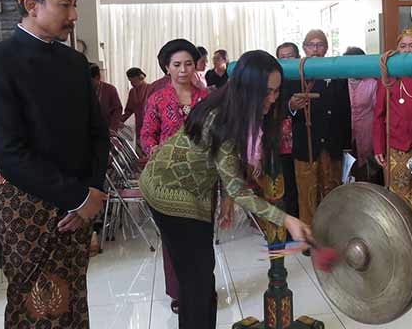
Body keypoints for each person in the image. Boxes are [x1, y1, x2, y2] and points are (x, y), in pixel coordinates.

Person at [0, 0, 109, 329]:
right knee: (34, 301)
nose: (74, 15)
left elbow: (97, 133)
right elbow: (6, 148)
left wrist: (92, 193)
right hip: (26, 204)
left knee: (73, 296)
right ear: (33, 5)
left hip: (80, 200)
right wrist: (78, 196)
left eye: (75, 5)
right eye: (65, 5)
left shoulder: (75, 63)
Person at [139, 50, 312, 329]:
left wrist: (227, 201)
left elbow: (221, 166)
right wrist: (287, 218)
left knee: (202, 278)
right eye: (267, 92)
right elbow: (238, 187)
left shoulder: (231, 107)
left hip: (192, 189)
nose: (273, 98)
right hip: (167, 192)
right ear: (247, 90)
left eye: (277, 91)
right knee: (197, 282)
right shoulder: (222, 118)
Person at [140, 39, 209, 313]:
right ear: (166, 67)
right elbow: (146, 135)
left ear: (196, 66)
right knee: (174, 241)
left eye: (188, 64)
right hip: (168, 181)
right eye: (177, 64)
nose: (183, 70)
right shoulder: (157, 98)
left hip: (201, 179)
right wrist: (154, 148)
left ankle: (203, 287)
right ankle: (180, 292)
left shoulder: (207, 98)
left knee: (201, 238)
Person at [287, 29, 351, 256]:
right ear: (304, 47)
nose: (316, 49)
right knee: (307, 193)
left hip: (331, 145)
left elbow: (345, 111)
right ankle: (309, 240)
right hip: (306, 145)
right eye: (311, 45)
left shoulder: (336, 73)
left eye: (320, 44)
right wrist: (293, 107)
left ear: (326, 48)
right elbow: (283, 111)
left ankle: (331, 235)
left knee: (331, 190)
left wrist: (346, 145)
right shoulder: (293, 74)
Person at [372, 28, 412, 220]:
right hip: (397, 147)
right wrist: (378, 146)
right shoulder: (389, 76)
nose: (407, 50)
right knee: (398, 199)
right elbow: (379, 115)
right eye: (403, 46)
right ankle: (402, 240)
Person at [344, 46, 382, 184]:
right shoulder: (341, 83)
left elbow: (377, 111)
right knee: (347, 171)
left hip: (368, 134)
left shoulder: (371, 83)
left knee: (368, 173)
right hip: (346, 132)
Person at [275, 41, 301, 218]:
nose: (286, 61)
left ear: (298, 57)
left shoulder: (305, 77)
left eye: (290, 56)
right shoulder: (276, 81)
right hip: (282, 144)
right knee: (288, 185)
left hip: (304, 141)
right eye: (282, 58)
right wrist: (290, 106)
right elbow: (271, 108)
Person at [121, 67, 150, 147]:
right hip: (139, 126)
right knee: (139, 151)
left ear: (140, 77)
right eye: (130, 81)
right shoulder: (132, 91)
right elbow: (129, 110)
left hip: (150, 126)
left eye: (133, 81)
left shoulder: (150, 88)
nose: (131, 83)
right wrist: (119, 120)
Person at [90, 63, 123, 132]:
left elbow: (117, 109)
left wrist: (113, 128)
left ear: (97, 77)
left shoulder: (110, 89)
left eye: (89, 81)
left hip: (107, 129)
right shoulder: (83, 90)